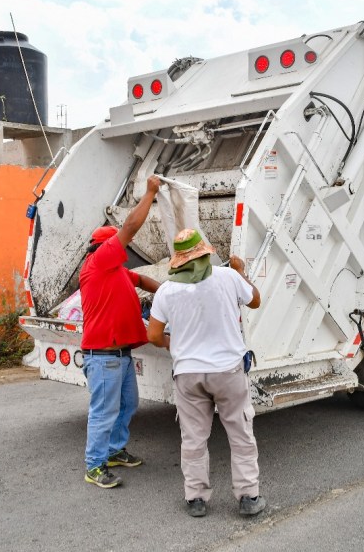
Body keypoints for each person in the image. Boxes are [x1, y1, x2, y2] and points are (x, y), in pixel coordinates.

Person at [147, 229, 264, 518]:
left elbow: (153, 335)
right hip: (228, 372)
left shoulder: (166, 290)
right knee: (240, 435)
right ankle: (248, 497)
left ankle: (196, 498)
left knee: (194, 438)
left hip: (188, 375)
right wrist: (241, 271)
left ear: (178, 260)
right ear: (205, 254)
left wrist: (170, 344)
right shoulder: (228, 277)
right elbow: (255, 301)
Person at [79, 175, 162, 489]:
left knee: (128, 404)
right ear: (103, 247)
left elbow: (141, 281)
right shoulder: (98, 263)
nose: (122, 250)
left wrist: (167, 292)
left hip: (120, 355)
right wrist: (150, 193)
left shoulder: (116, 272)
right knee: (103, 411)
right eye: (115, 244)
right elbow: (129, 228)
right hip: (103, 357)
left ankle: (113, 451)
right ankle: (95, 465)